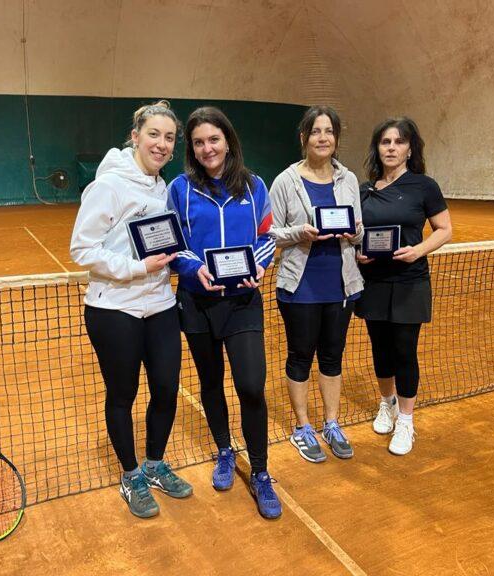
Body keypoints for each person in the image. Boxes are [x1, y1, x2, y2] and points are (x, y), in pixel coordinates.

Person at [70, 100, 192, 518]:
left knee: (166, 388)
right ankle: (131, 474)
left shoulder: (162, 187)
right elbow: (82, 248)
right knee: (122, 395)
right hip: (113, 309)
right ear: (135, 136)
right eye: (153, 134)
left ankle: (155, 464)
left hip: (161, 304)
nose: (161, 144)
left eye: (169, 137)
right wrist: (135, 267)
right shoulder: (109, 185)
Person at [167, 106, 281, 519]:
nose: (207, 148)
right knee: (210, 381)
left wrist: (259, 265)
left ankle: (263, 473)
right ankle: (223, 450)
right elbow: (173, 242)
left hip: (242, 302)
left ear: (228, 141)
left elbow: (266, 235)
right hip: (197, 303)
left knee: (251, 386)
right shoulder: (179, 188)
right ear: (192, 149)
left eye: (213, 139)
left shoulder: (254, 185)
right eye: (198, 142)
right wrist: (194, 268)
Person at [269, 106, 364, 463]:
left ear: (335, 138)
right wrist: (300, 232)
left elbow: (359, 233)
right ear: (303, 138)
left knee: (332, 356)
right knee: (300, 356)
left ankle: (331, 423)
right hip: (300, 287)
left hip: (340, 286)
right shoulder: (285, 181)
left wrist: (354, 231)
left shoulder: (349, 179)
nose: (322, 138)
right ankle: (303, 427)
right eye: (315, 131)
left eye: (329, 131)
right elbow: (271, 233)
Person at [355, 117, 452, 455]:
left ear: (410, 148)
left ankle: (406, 421)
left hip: (410, 281)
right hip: (374, 281)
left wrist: (418, 250)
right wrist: (358, 253)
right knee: (380, 349)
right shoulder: (365, 189)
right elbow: (357, 234)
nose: (391, 147)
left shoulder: (424, 186)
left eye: (398, 141)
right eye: (385, 142)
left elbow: (443, 229)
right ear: (377, 148)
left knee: (404, 351)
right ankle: (387, 402)